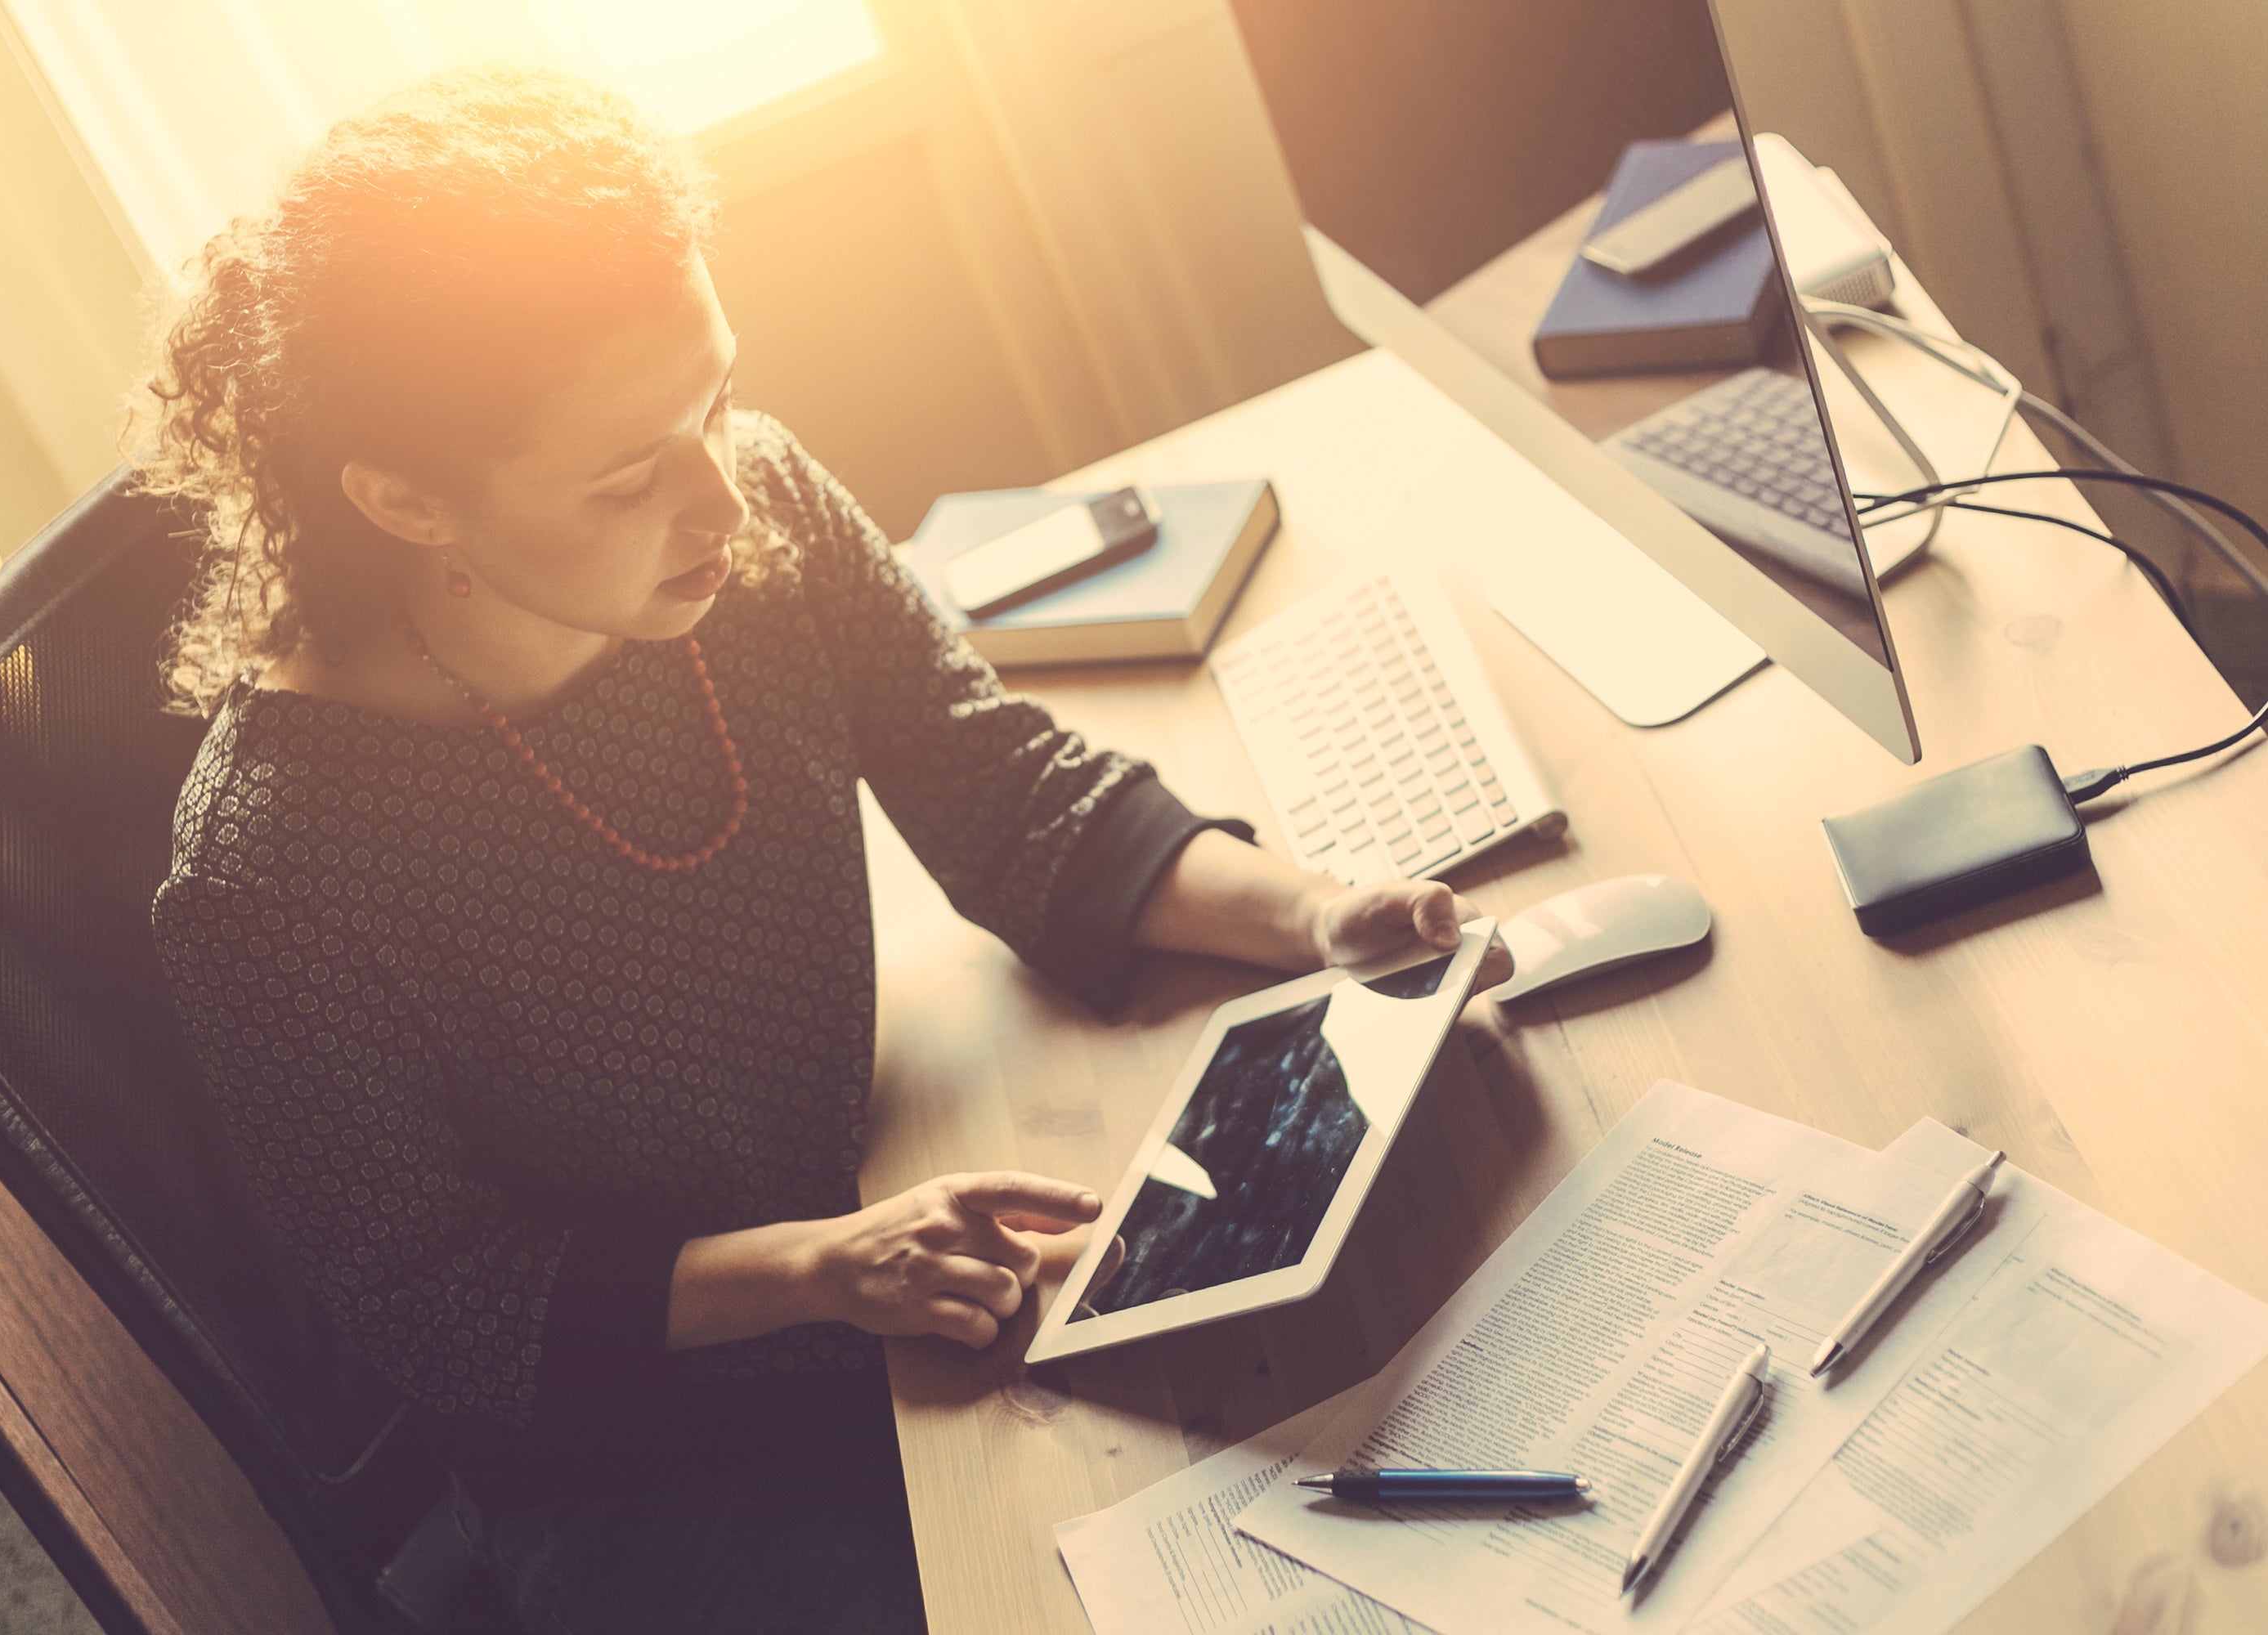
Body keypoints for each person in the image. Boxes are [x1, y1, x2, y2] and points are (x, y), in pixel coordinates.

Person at [141, 65, 1508, 1635]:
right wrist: (814, 1271)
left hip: (897, 1250)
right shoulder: (269, 878)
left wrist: (1326, 915)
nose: (719, 494)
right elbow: (442, 1306)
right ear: (404, 498)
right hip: (664, 1445)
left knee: (1391, 1392)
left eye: (712, 400)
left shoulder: (758, 509)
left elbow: (1004, 788)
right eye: (626, 473)